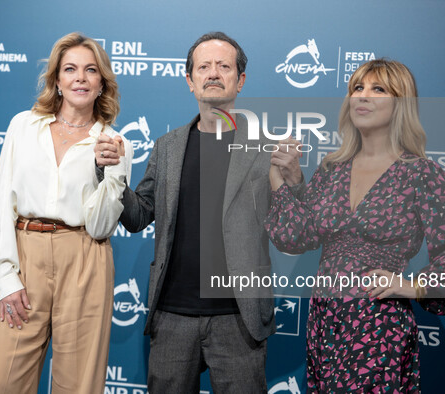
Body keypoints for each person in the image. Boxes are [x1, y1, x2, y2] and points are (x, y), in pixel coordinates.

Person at [95, 32, 302, 393]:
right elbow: (138, 216)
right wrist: (111, 176)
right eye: (203, 66)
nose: (213, 73)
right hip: (172, 315)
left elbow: (295, 230)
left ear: (240, 80)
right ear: (190, 81)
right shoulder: (167, 147)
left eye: (224, 66)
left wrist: (295, 181)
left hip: (239, 318)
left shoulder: (267, 146)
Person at [265, 58, 445, 392]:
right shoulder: (332, 168)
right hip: (325, 322)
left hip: (377, 322)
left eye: (377, 89)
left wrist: (417, 287)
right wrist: (289, 184)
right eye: (357, 88)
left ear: (401, 104)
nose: (362, 96)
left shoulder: (420, 173)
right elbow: (299, 237)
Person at [0, 32, 132, 393]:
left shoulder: (115, 143)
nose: (80, 77)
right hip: (26, 254)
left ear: (101, 84)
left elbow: (100, 226)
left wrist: (104, 171)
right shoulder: (23, 126)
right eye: (70, 69)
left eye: (90, 70)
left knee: (79, 385)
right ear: (57, 81)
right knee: (2, 383)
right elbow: (2, 202)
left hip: (85, 259)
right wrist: (5, 278)